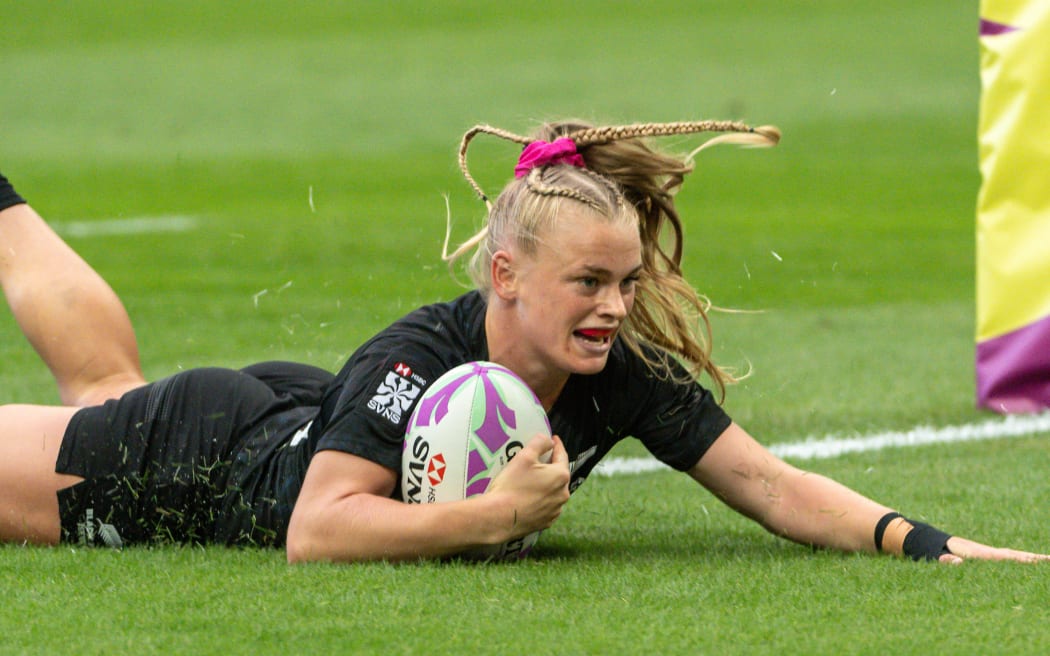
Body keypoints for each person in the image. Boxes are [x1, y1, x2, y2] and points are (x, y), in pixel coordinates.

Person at [0, 119, 1045, 565]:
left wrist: (922, 542)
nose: (611, 306)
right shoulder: (416, 352)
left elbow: (767, 484)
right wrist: (497, 515)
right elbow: (316, 534)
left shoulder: (615, 367)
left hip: (294, 419)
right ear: (507, 276)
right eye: (588, 282)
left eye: (626, 282)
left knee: (101, 380)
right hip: (184, 461)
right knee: (108, 403)